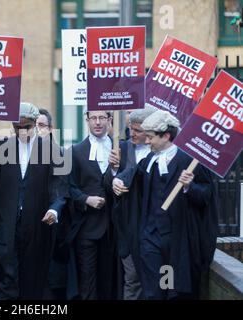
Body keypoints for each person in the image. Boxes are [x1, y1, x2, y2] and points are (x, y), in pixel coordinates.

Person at [112, 110, 218, 299]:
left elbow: (206, 196)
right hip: (150, 238)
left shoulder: (190, 161)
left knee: (172, 290)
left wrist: (189, 186)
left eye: (151, 137)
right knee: (153, 291)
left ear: (166, 136)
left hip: (177, 240)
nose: (147, 141)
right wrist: (117, 180)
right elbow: (132, 176)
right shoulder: (150, 159)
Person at [0, 102, 66, 300]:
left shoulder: (53, 150)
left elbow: (61, 186)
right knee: (6, 275)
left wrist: (54, 209)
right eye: (17, 127)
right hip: (6, 223)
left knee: (33, 276)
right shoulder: (0, 147)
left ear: (35, 124)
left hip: (38, 222)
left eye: (27, 127)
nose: (22, 131)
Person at [105, 105, 157, 300]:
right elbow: (108, 184)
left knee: (156, 281)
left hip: (154, 227)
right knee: (132, 279)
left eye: (137, 130)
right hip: (128, 226)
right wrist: (113, 172)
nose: (131, 133)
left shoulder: (160, 151)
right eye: (130, 128)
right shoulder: (123, 147)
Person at [68, 110, 117, 300]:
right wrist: (85, 199)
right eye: (93, 118)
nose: (98, 122)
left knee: (110, 279)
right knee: (87, 279)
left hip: (114, 226)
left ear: (109, 120)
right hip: (87, 226)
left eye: (102, 118)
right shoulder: (75, 151)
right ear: (87, 120)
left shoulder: (121, 148)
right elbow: (68, 187)